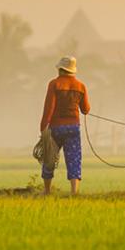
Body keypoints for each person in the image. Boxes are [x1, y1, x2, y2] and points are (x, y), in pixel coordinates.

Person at [39, 56, 90, 195]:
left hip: (55, 127)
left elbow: (49, 108)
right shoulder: (81, 86)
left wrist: (43, 128)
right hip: (73, 127)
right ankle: (74, 191)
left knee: (49, 158)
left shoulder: (54, 84)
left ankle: (47, 190)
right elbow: (86, 109)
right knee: (74, 158)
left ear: (61, 69)